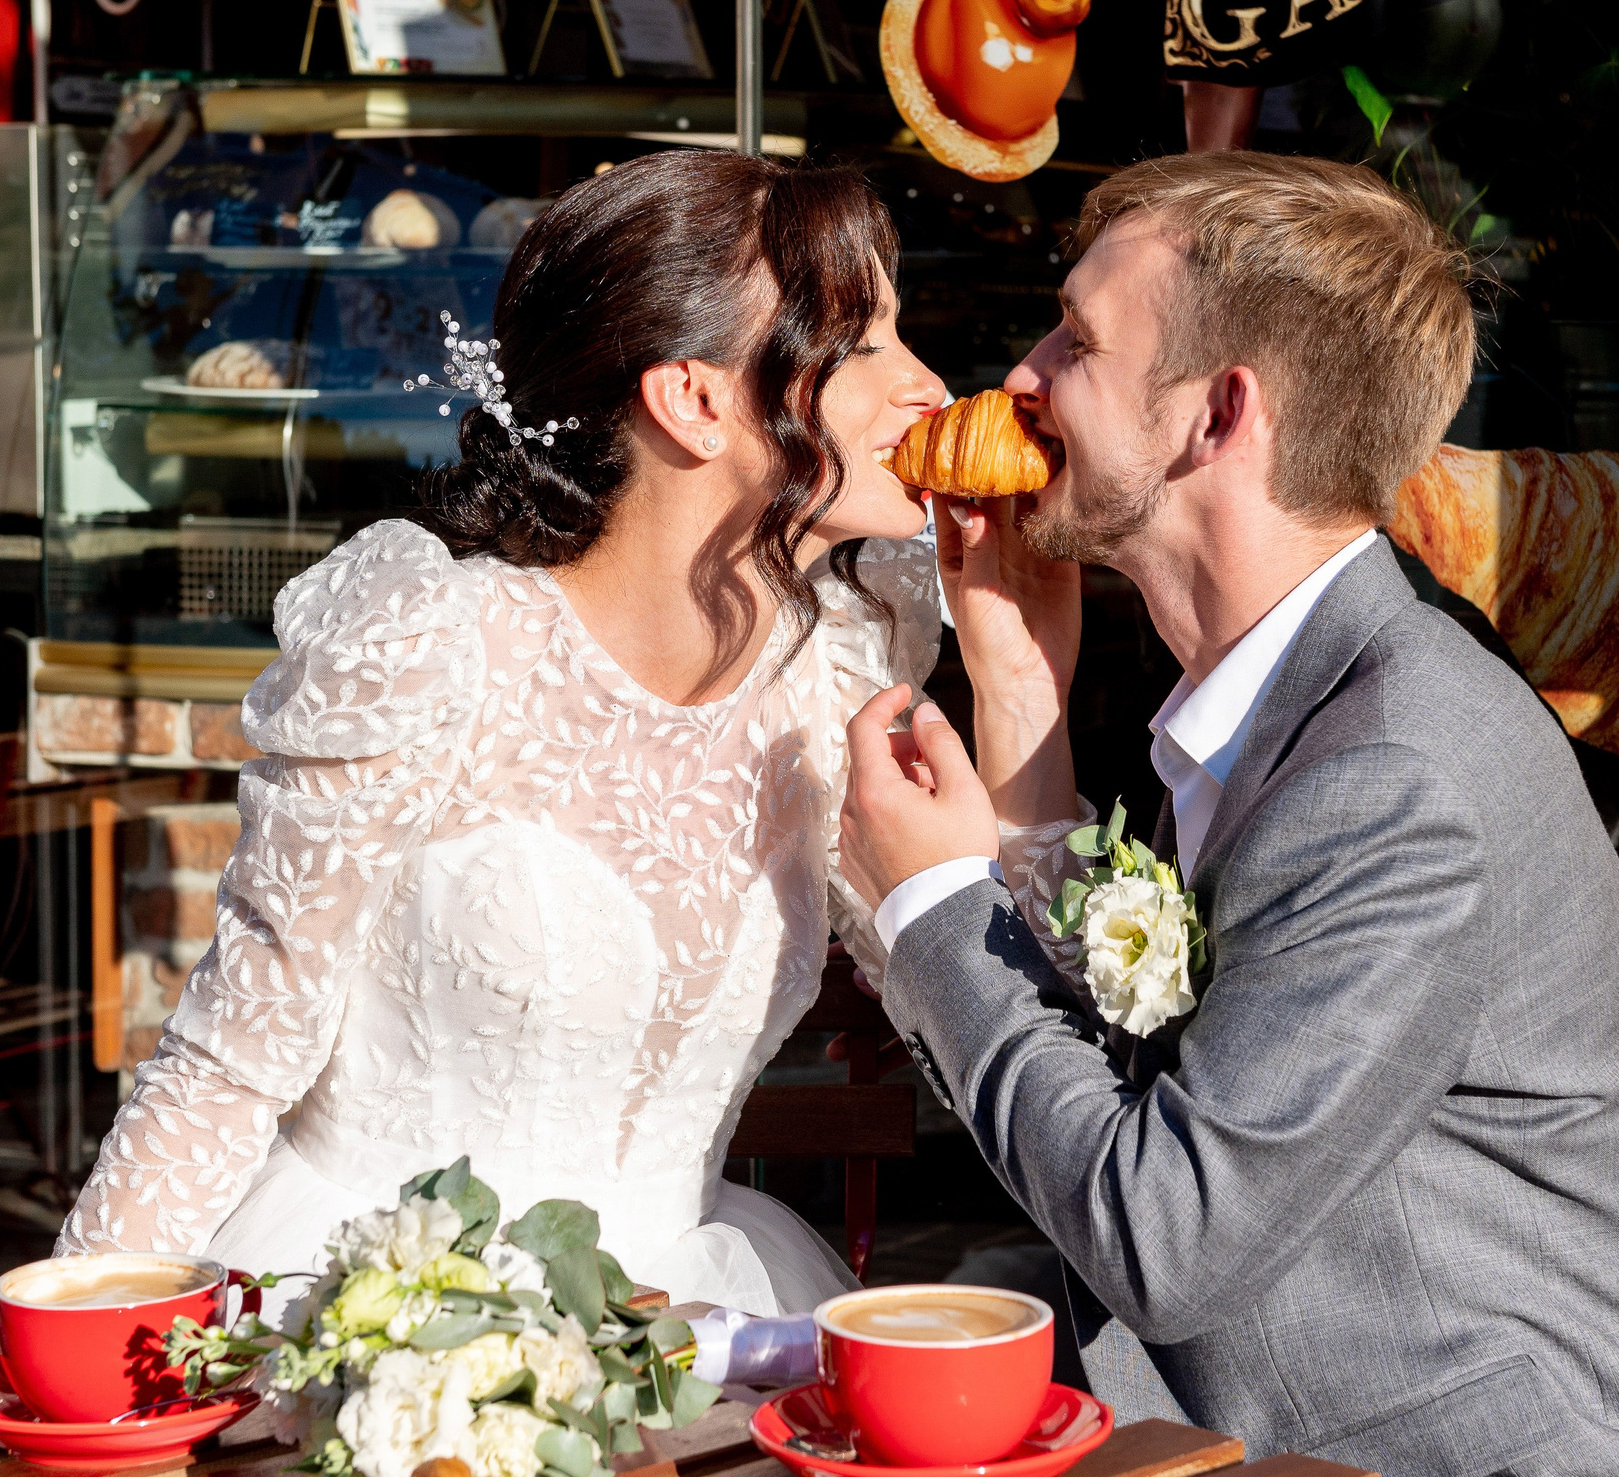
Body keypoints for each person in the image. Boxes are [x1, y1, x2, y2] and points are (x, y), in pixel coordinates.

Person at [837, 152, 1619, 1476]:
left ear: (1219, 415)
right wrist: (1021, 695)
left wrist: (930, 903)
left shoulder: (1401, 771)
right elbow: (1159, 1080)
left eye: (1078, 339)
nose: (1022, 375)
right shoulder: (1294, 697)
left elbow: (1165, 1236)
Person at [58, 149, 968, 1322]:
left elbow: (978, 1026)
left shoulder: (841, 661)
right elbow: (233, 1057)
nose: (930, 386)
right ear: (693, 399)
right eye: (864, 347)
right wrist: (68, 1368)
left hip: (691, 1318)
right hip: (374, 1315)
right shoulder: (426, 640)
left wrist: (1019, 674)